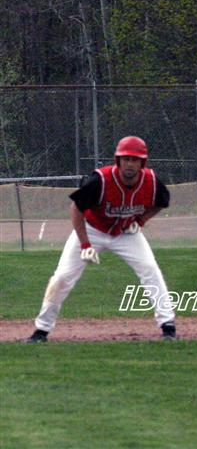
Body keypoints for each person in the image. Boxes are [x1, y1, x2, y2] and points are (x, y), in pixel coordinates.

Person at [27, 136, 177, 342]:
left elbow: (161, 202)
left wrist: (141, 220)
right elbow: (76, 208)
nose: (130, 164)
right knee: (62, 277)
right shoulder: (101, 180)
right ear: (118, 160)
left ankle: (168, 326)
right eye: (126, 159)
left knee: (150, 270)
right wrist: (85, 244)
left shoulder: (151, 181)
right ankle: (41, 330)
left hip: (126, 233)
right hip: (92, 229)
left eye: (135, 159)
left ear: (143, 162)